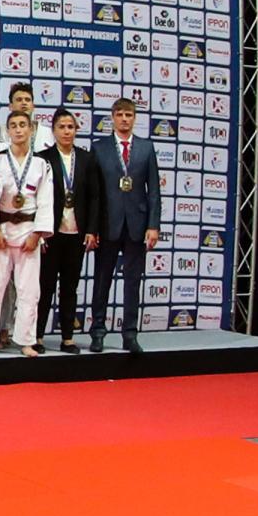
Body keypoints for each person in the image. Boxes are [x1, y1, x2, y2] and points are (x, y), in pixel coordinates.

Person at [0, 109, 53, 356]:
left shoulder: (41, 164)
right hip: (2, 229)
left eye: (23, 125)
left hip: (28, 231)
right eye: (14, 125)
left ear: (31, 129)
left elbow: (46, 202)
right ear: (7, 131)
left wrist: (37, 234)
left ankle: (26, 341)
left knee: (29, 291)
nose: (19, 129)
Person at [88, 98, 160, 353]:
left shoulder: (146, 148)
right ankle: (97, 332)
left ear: (134, 118)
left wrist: (153, 225)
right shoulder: (99, 148)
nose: (124, 119)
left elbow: (154, 191)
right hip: (107, 223)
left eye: (128, 115)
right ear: (112, 117)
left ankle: (130, 334)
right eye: (119, 114)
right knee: (102, 280)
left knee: (132, 281)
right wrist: (92, 228)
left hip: (137, 225)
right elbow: (94, 193)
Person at [37, 109, 102, 351]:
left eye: (70, 127)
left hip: (76, 234)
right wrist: (39, 231)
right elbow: (36, 198)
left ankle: (67, 338)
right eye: (62, 127)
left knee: (70, 288)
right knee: (44, 287)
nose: (66, 131)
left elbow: (95, 197)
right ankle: (37, 336)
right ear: (53, 131)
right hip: (51, 234)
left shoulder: (86, 159)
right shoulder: (43, 158)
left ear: (76, 130)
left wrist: (91, 230)